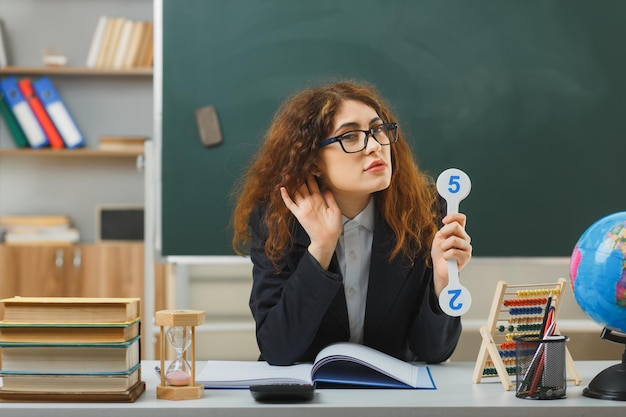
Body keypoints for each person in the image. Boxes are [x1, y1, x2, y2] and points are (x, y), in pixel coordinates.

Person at [232, 80, 472, 366]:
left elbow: (434, 352)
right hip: (308, 402)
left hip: (393, 402)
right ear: (313, 161)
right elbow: (278, 349)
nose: (374, 146)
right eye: (349, 137)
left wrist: (442, 281)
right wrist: (321, 248)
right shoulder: (278, 219)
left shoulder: (422, 212)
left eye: (377, 130)